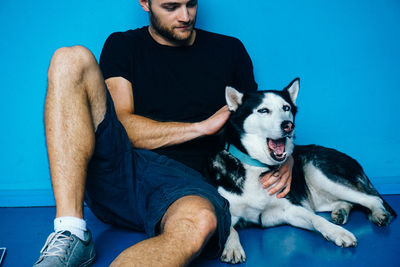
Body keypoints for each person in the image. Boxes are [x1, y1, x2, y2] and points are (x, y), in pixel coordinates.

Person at [34, 0, 294, 266]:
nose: (185, 16)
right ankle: (71, 231)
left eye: (190, 4)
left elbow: (257, 121)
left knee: (201, 221)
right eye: (171, 7)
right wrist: (201, 127)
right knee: (70, 58)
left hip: (190, 184)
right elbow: (123, 127)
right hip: (122, 172)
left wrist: (284, 157)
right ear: (145, 3)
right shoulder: (123, 45)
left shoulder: (230, 50)